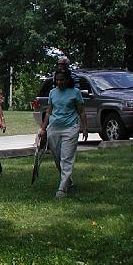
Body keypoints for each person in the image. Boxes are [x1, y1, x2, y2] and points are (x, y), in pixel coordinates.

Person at [38, 69, 88, 199]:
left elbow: (81, 111)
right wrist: (43, 129)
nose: (59, 82)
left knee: (66, 158)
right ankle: (67, 180)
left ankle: (62, 189)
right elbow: (49, 112)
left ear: (67, 80)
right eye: (57, 80)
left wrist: (84, 127)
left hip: (70, 128)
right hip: (54, 128)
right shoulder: (52, 92)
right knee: (57, 156)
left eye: (62, 80)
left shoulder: (75, 93)